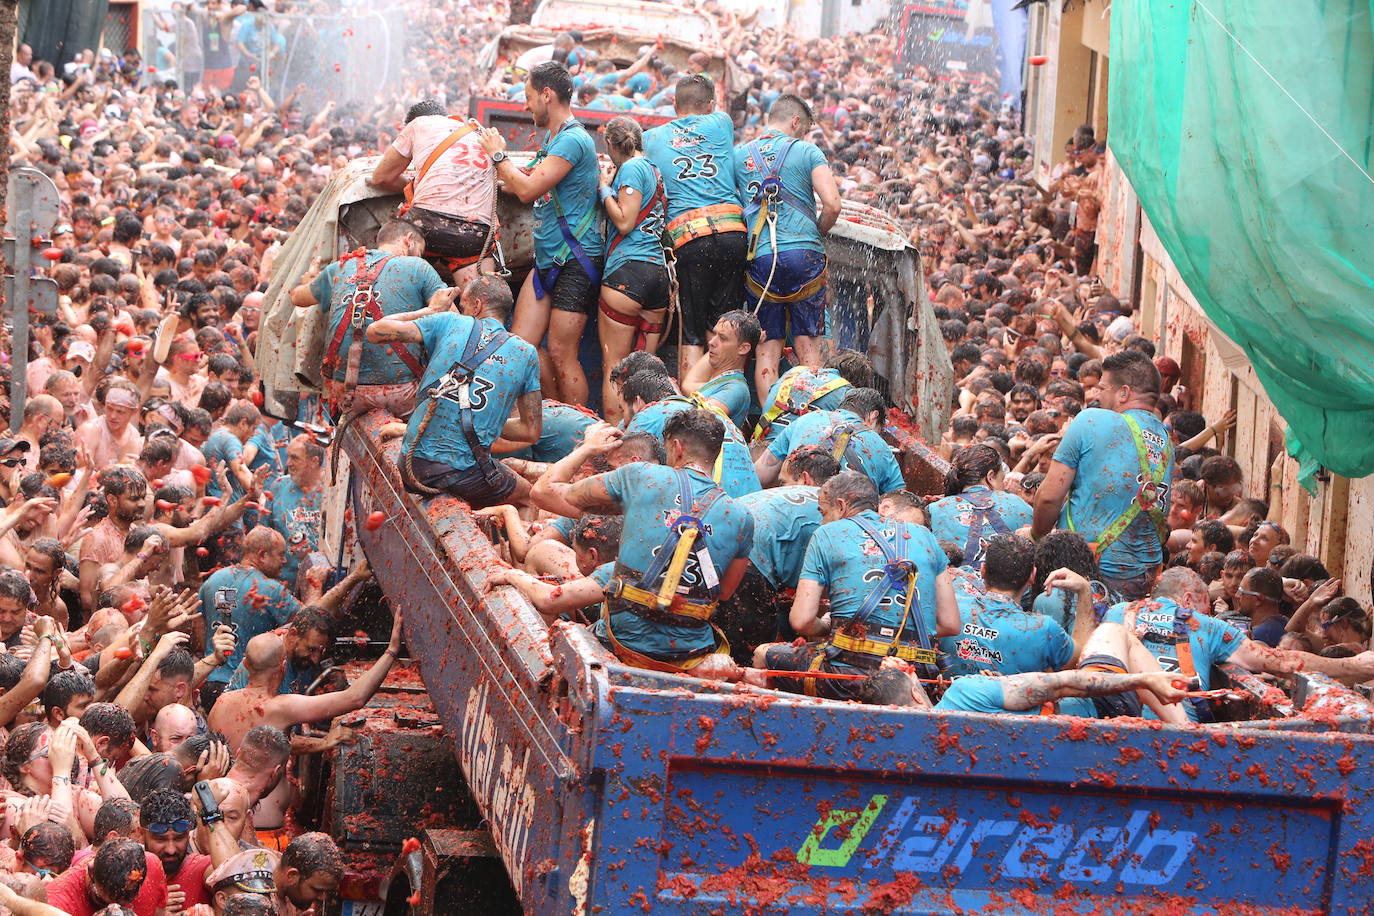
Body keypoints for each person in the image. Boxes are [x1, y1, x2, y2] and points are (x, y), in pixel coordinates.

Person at [558, 410, 754, 675]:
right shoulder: (742, 517)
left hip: (621, 642)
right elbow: (726, 592)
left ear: (677, 447)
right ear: (715, 453)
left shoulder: (641, 476)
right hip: (690, 654)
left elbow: (569, 494)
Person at [750, 472, 958, 702]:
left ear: (840, 506)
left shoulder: (826, 534)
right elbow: (950, 624)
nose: (822, 521)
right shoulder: (925, 536)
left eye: (823, 512)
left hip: (847, 676)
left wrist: (827, 626)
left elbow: (801, 621)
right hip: (914, 678)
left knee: (763, 654)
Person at [478, 61, 604, 405]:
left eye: (529, 96)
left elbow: (529, 189)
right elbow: (525, 181)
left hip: (576, 261)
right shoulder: (554, 138)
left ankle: (578, 422)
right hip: (548, 260)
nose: (525, 106)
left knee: (563, 352)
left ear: (547, 95)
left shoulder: (574, 140)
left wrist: (498, 154)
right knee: (521, 345)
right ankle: (553, 412)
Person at [368, 275, 542, 507]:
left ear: (477, 305)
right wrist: (486, 422)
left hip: (413, 468)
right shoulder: (526, 352)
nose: (461, 311)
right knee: (528, 498)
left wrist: (430, 310)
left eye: (464, 306)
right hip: (468, 476)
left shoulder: (449, 321)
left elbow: (375, 330)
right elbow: (531, 432)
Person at [1032, 350, 1174, 600]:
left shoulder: (1091, 421)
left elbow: (1048, 497)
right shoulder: (1165, 440)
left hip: (1088, 570)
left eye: (1103, 388)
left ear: (1124, 393)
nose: (1098, 395)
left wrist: (1037, 537)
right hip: (1143, 577)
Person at [733, 93, 842, 401]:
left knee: (767, 349)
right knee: (808, 347)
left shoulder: (740, 155)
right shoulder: (807, 150)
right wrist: (815, 234)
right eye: (804, 128)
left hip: (761, 258)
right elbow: (833, 204)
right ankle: (808, 420)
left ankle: (769, 422)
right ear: (796, 121)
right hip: (804, 254)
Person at [643, 74, 747, 373]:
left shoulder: (651, 138)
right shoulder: (722, 122)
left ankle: (691, 409)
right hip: (731, 233)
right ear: (711, 105)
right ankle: (723, 398)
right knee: (726, 329)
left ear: (674, 103)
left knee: (691, 331)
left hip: (690, 238)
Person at [198, 528, 369, 708]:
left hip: (210, 684)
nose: (284, 561)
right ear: (262, 554)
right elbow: (310, 620)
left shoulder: (212, 581)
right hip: (244, 689)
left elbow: (198, 635)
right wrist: (319, 585)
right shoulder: (269, 590)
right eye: (280, 555)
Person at [289, 219, 444, 417]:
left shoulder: (340, 267)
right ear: (409, 240)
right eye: (419, 251)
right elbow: (454, 320)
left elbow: (297, 297)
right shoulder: (418, 267)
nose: (418, 256)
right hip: (400, 391)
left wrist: (310, 279)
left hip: (344, 389)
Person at [719, 447, 838, 658]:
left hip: (718, 537)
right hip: (749, 554)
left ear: (805, 480)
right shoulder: (831, 510)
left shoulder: (809, 501)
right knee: (751, 655)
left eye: (783, 481)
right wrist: (825, 627)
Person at [370, 100, 497, 286]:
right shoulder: (480, 133)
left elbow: (381, 177)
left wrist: (412, 185)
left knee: (396, 287)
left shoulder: (419, 124)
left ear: (413, 120)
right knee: (483, 300)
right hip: (476, 234)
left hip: (426, 223)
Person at [596, 117, 670, 418]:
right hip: (657, 277)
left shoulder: (632, 168)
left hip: (627, 273)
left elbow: (625, 221)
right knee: (646, 375)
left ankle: (611, 441)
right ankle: (644, 437)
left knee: (615, 368)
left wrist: (603, 188)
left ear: (612, 145)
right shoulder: (654, 170)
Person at [939, 534, 1079, 678]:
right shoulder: (1044, 629)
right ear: (1032, 575)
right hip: (1013, 699)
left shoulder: (947, 610)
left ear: (983, 570)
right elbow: (1079, 658)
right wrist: (1085, 592)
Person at [618, 370, 760, 498]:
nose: (623, 423)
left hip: (715, 509)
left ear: (638, 403)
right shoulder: (708, 412)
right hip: (751, 509)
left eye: (622, 410)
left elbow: (621, 473)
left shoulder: (649, 413)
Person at [755, 387, 903, 494]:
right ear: (873, 416)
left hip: (792, 505)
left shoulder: (806, 419)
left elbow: (760, 474)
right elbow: (899, 503)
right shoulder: (881, 447)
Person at [928, 444, 1032, 568]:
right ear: (990, 477)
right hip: (1008, 584)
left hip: (953, 584)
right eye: (1002, 480)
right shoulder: (1017, 503)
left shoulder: (934, 508)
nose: (1002, 486)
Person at [750, 349, 870, 454]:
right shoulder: (846, 392)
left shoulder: (794, 372)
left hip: (758, 449)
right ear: (857, 385)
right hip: (796, 461)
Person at [261, 435, 325, 589]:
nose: (288, 463)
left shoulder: (333, 490)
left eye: (294, 458)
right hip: (283, 584)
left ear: (314, 461)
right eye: (288, 457)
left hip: (321, 583)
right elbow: (263, 533)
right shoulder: (278, 487)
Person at [45, 837, 166, 916]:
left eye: (124, 905)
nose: (114, 910)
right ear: (91, 871)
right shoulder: (56, 904)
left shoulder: (153, 866)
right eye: (101, 902)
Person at [680, 310, 759, 432]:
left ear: (743, 348)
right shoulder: (722, 381)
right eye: (715, 334)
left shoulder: (735, 389)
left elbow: (698, 421)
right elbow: (688, 384)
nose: (711, 342)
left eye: (722, 338)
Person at [140, 788, 213, 911]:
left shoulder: (202, 868)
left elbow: (238, 885)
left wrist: (213, 815)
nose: (171, 850)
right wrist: (148, 905)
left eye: (179, 838)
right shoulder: (128, 874)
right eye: (160, 840)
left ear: (188, 834)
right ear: (141, 834)